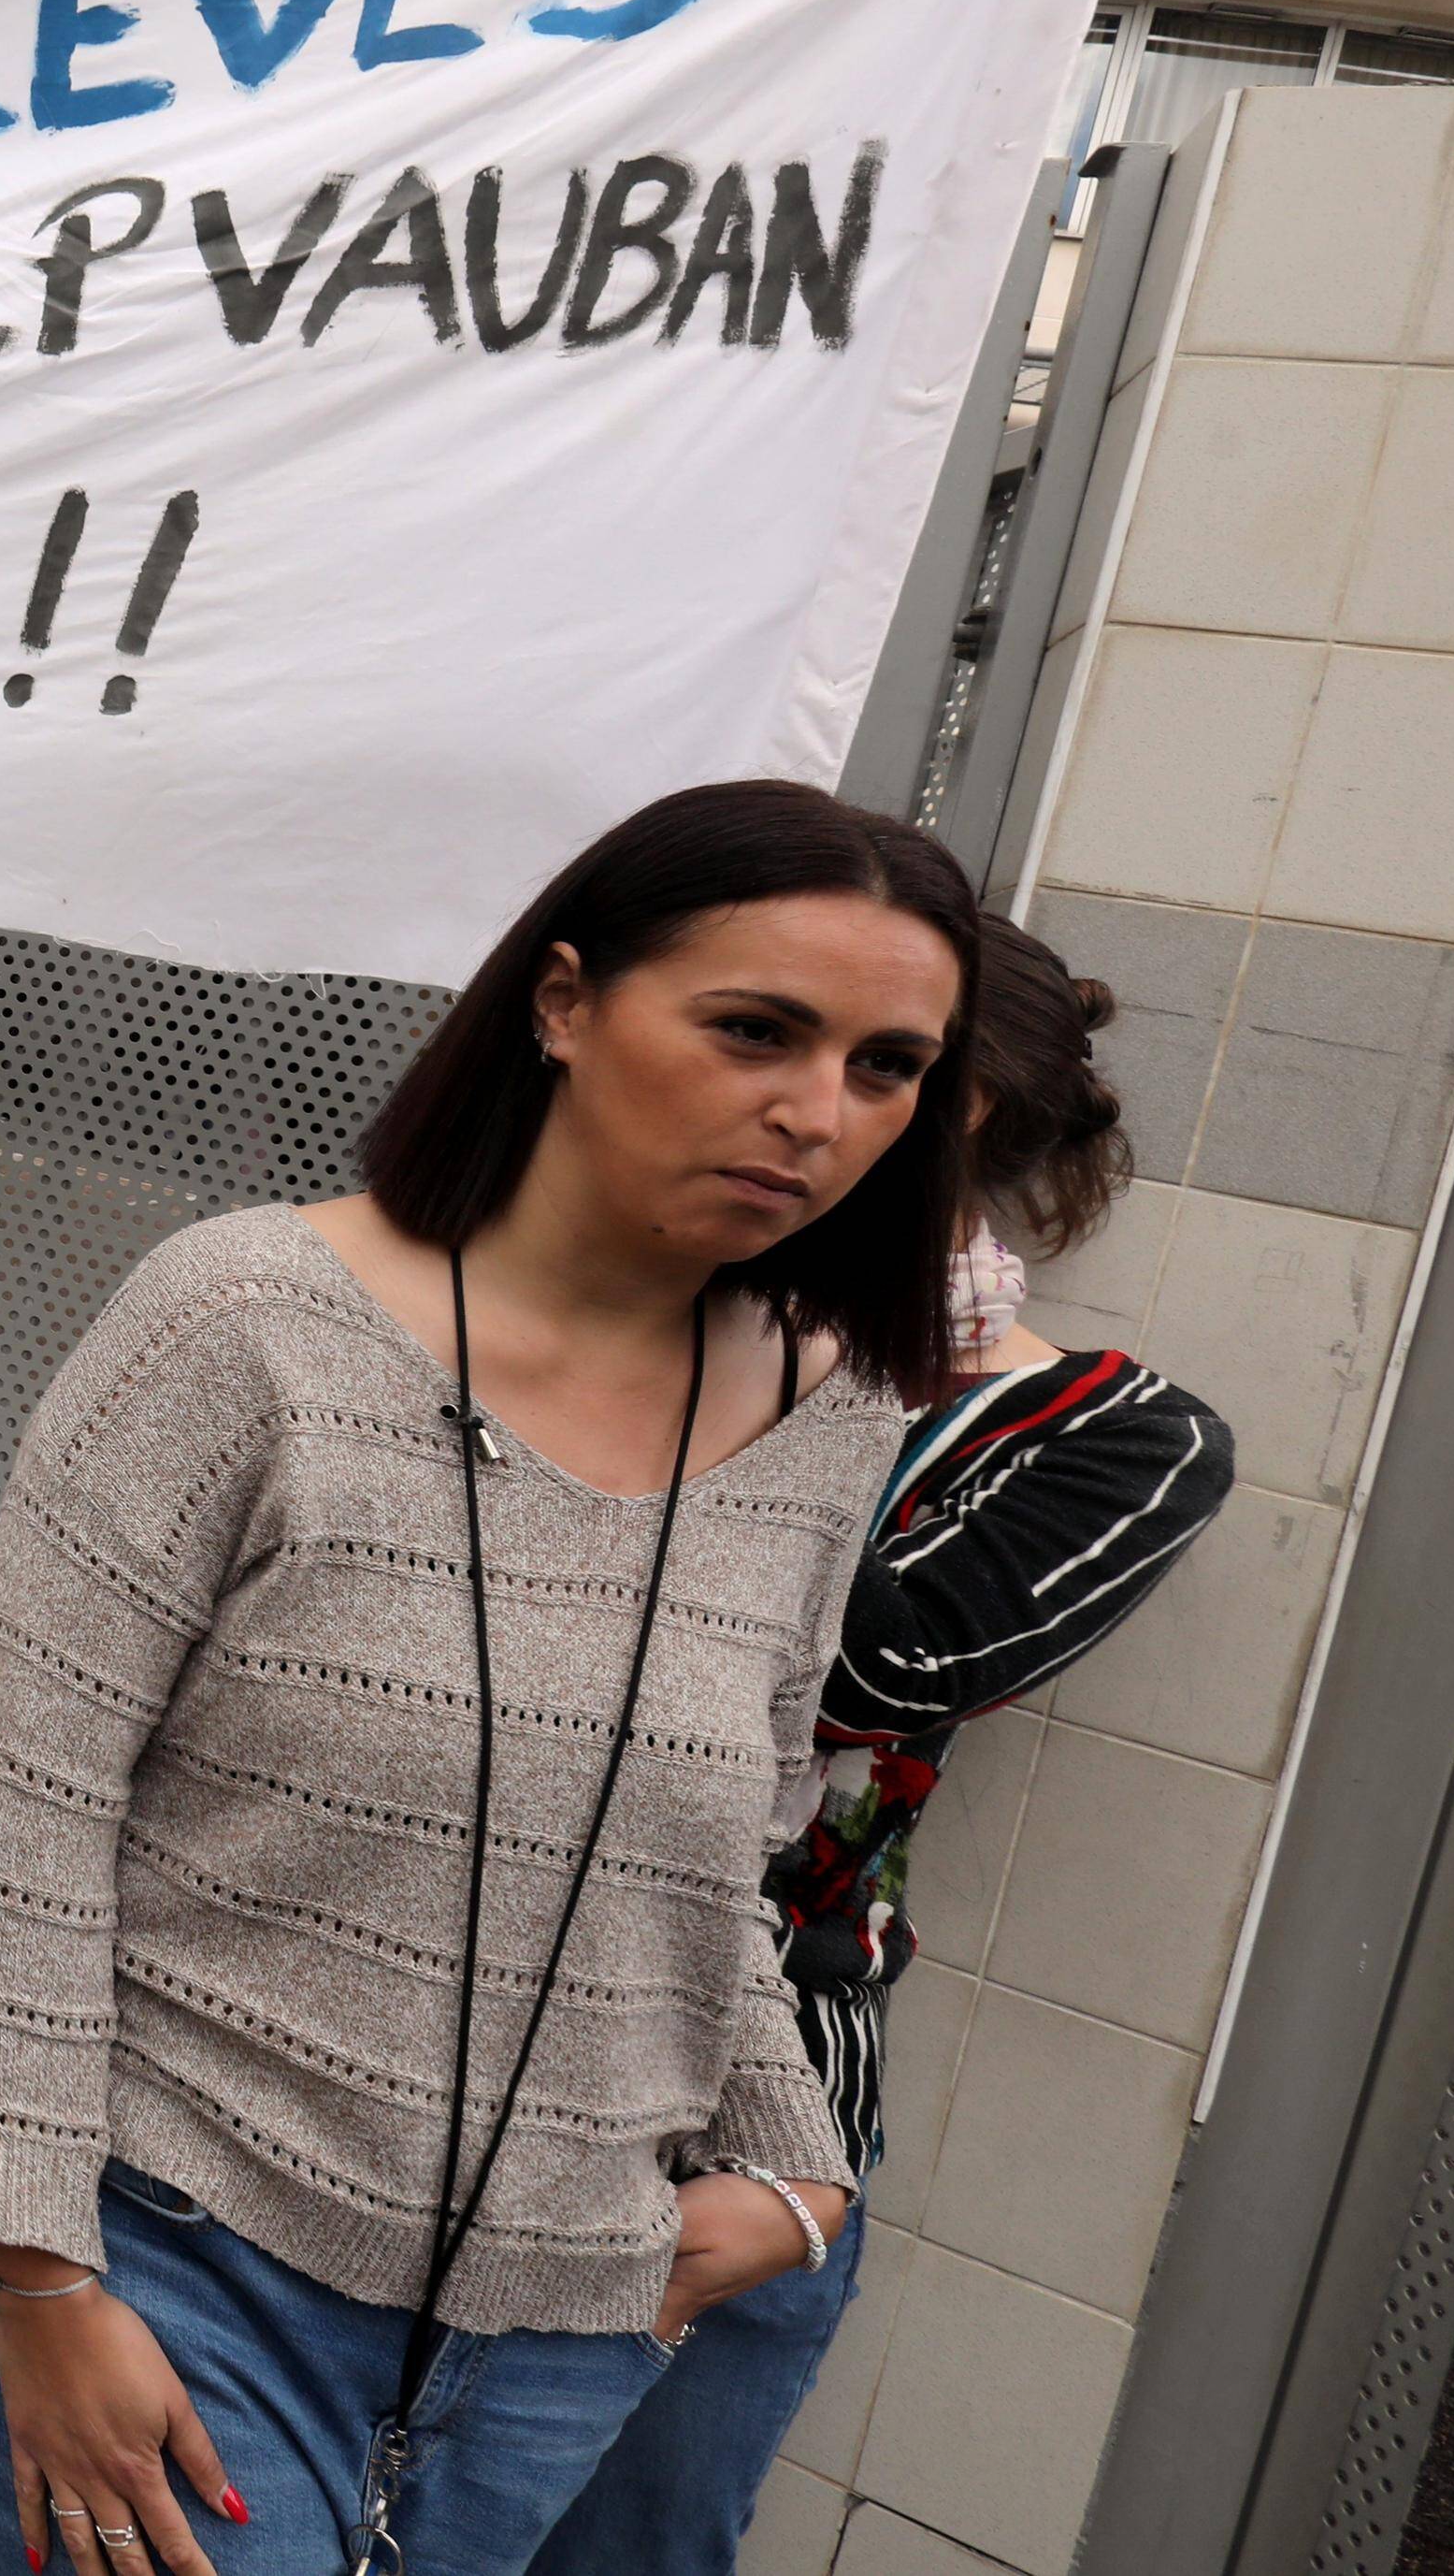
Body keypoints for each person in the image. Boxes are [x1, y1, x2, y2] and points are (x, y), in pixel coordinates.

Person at [0, 780, 986, 2576]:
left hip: (564, 2318)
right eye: (754, 1028)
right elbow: (20, 1815)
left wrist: (799, 2171)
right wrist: (37, 2270)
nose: (818, 1110)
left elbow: (709, 1852)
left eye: (890, 1067)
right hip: (172, 2247)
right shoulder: (240, 1320)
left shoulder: (831, 1406)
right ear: (562, 1001)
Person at [536, 919, 1234, 2575]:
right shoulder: (633, 1311)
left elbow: (862, 1663)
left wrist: (825, 1372)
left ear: (963, 1109)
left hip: (741, 2094)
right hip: (419, 2008)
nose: (791, 1107)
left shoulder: (1124, 1437)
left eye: (874, 1064)